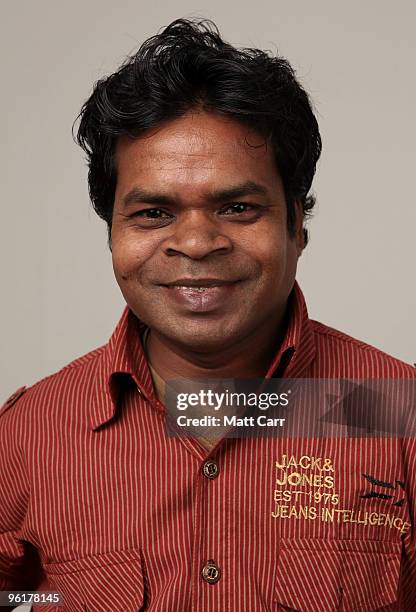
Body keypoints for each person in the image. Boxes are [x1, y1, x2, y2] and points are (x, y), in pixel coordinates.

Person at [1, 18, 415, 612]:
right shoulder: (24, 437)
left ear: (297, 224)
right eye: (152, 214)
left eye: (239, 207)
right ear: (112, 232)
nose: (195, 243)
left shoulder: (400, 416)